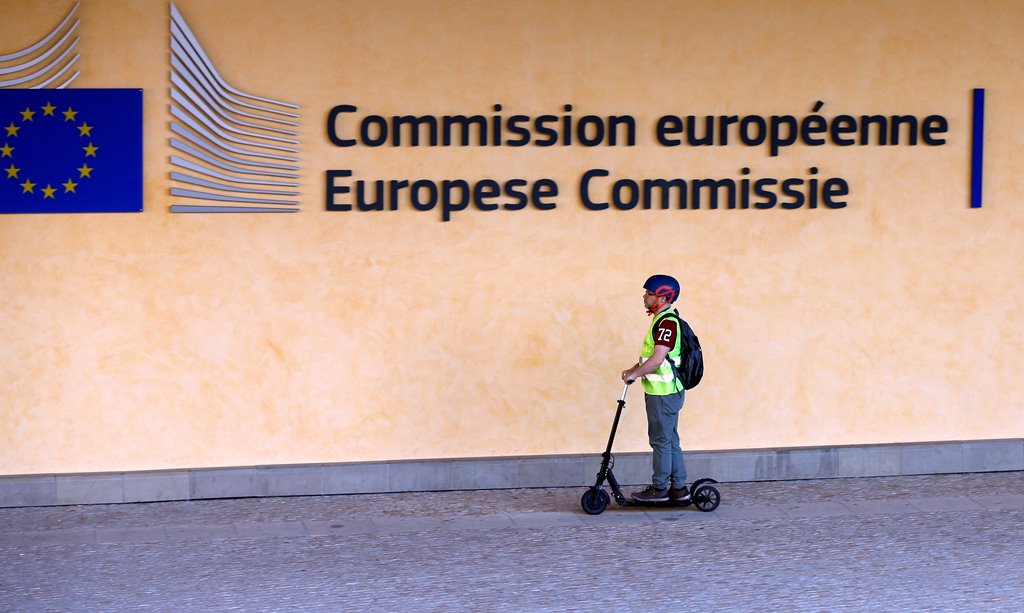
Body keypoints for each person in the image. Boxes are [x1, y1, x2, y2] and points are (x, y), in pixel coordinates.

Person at [620, 274, 689, 503]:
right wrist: (633, 369)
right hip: (668, 392)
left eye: (649, 293)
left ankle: (660, 488)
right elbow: (652, 357)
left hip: (663, 394)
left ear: (663, 296)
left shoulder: (667, 323)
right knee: (670, 440)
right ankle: (678, 488)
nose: (644, 296)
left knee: (660, 441)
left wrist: (634, 375)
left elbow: (658, 359)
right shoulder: (662, 320)